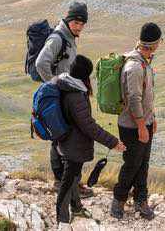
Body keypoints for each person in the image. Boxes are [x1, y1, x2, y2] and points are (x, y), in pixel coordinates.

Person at [54, 55, 126, 230]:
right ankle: (62, 220)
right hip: (73, 145)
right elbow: (89, 127)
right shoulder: (75, 96)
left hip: (67, 142)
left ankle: (76, 208)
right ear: (83, 76)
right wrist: (113, 142)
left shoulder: (67, 85)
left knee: (73, 178)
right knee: (68, 181)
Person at [35, 1, 93, 197]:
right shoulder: (58, 38)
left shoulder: (69, 37)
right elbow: (41, 62)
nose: (79, 27)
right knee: (61, 137)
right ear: (68, 21)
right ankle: (62, 182)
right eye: (76, 22)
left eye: (82, 23)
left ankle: (68, 181)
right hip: (59, 95)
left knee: (63, 137)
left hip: (65, 95)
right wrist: (54, 84)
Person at [110, 22, 162, 220]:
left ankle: (141, 200)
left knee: (143, 163)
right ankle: (118, 200)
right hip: (132, 126)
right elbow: (133, 99)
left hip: (144, 122)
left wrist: (152, 118)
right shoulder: (134, 66)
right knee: (132, 164)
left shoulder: (145, 61)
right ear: (154, 44)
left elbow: (147, 94)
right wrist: (141, 126)